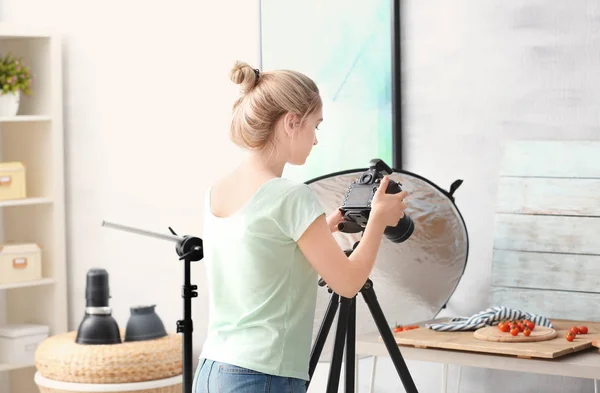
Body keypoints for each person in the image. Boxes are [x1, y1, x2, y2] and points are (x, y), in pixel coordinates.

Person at [193, 61, 408, 393]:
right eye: (315, 126)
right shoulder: (290, 195)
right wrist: (377, 220)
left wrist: (324, 227)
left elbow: (261, 252)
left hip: (213, 371)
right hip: (262, 376)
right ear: (292, 122)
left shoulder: (216, 191)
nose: (316, 140)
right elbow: (349, 283)